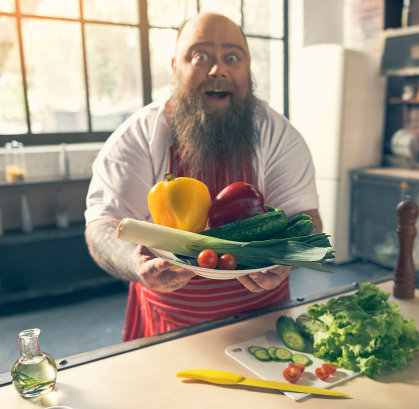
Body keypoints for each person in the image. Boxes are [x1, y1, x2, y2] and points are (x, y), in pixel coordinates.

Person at [84, 12, 322, 341]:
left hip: (261, 323)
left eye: (232, 57)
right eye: (200, 56)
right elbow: (102, 226)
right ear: (175, 67)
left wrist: (288, 258)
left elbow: (305, 219)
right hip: (167, 325)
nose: (218, 69)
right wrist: (133, 263)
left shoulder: (278, 134)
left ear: (247, 71)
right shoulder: (139, 135)